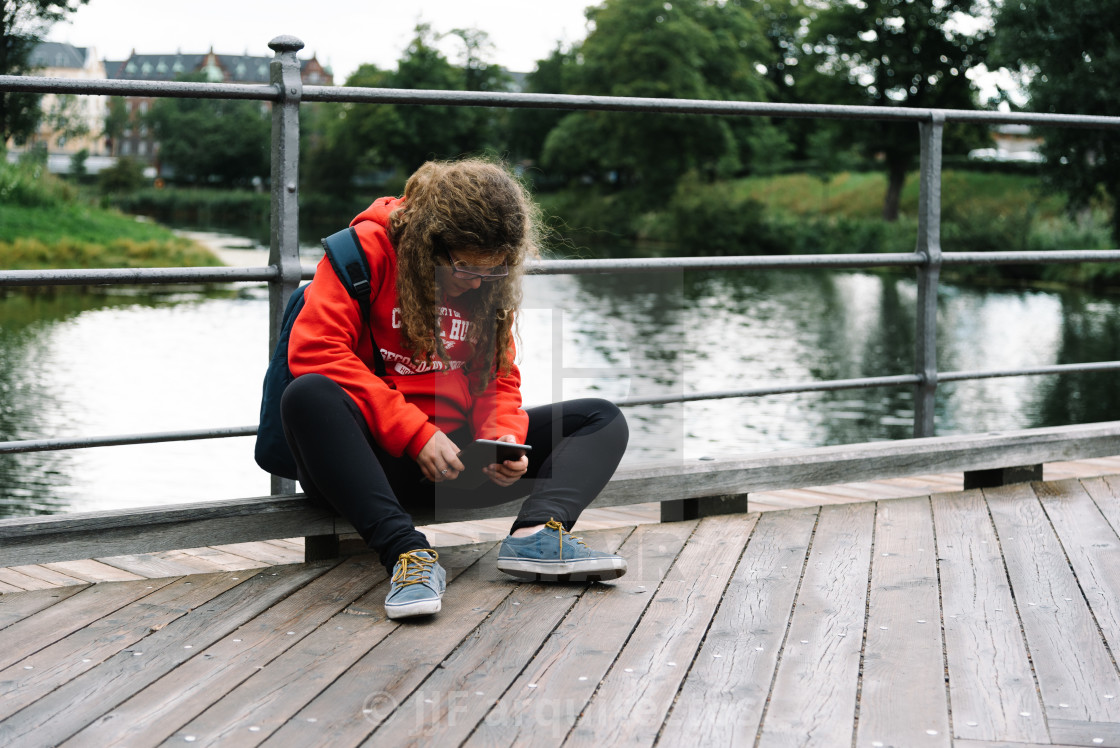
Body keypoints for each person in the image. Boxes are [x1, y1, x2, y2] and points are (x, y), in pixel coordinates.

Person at [280, 159, 630, 620]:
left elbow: (497, 377)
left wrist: (503, 437)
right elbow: (317, 351)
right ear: (429, 242)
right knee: (307, 394)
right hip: (368, 469)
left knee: (601, 418)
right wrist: (416, 434)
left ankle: (534, 538)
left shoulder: (485, 283)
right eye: (465, 267)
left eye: (494, 271)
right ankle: (408, 556)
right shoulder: (361, 253)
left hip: (458, 465)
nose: (475, 283)